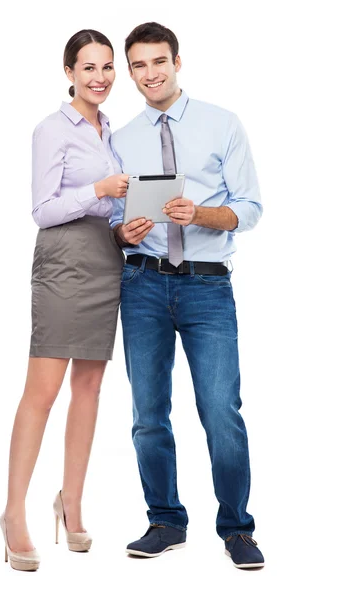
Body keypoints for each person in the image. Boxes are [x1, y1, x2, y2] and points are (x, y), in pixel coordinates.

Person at [110, 22, 265, 569]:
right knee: (148, 413)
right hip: (143, 284)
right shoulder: (120, 137)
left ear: (178, 61)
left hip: (207, 286)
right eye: (138, 65)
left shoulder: (221, 124)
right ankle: (165, 520)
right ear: (130, 72)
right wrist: (121, 232)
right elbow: (112, 216)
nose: (150, 74)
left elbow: (248, 208)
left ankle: (236, 528)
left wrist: (200, 214)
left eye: (159, 61)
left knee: (221, 410)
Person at [0, 29, 129, 571]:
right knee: (43, 390)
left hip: (106, 260)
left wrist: (128, 224)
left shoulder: (111, 132)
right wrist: (99, 192)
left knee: (91, 387)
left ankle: (71, 503)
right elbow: (42, 209)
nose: (99, 77)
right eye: (88, 68)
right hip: (62, 259)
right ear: (69, 72)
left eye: (106, 68)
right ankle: (13, 514)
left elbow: (113, 210)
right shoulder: (52, 129)